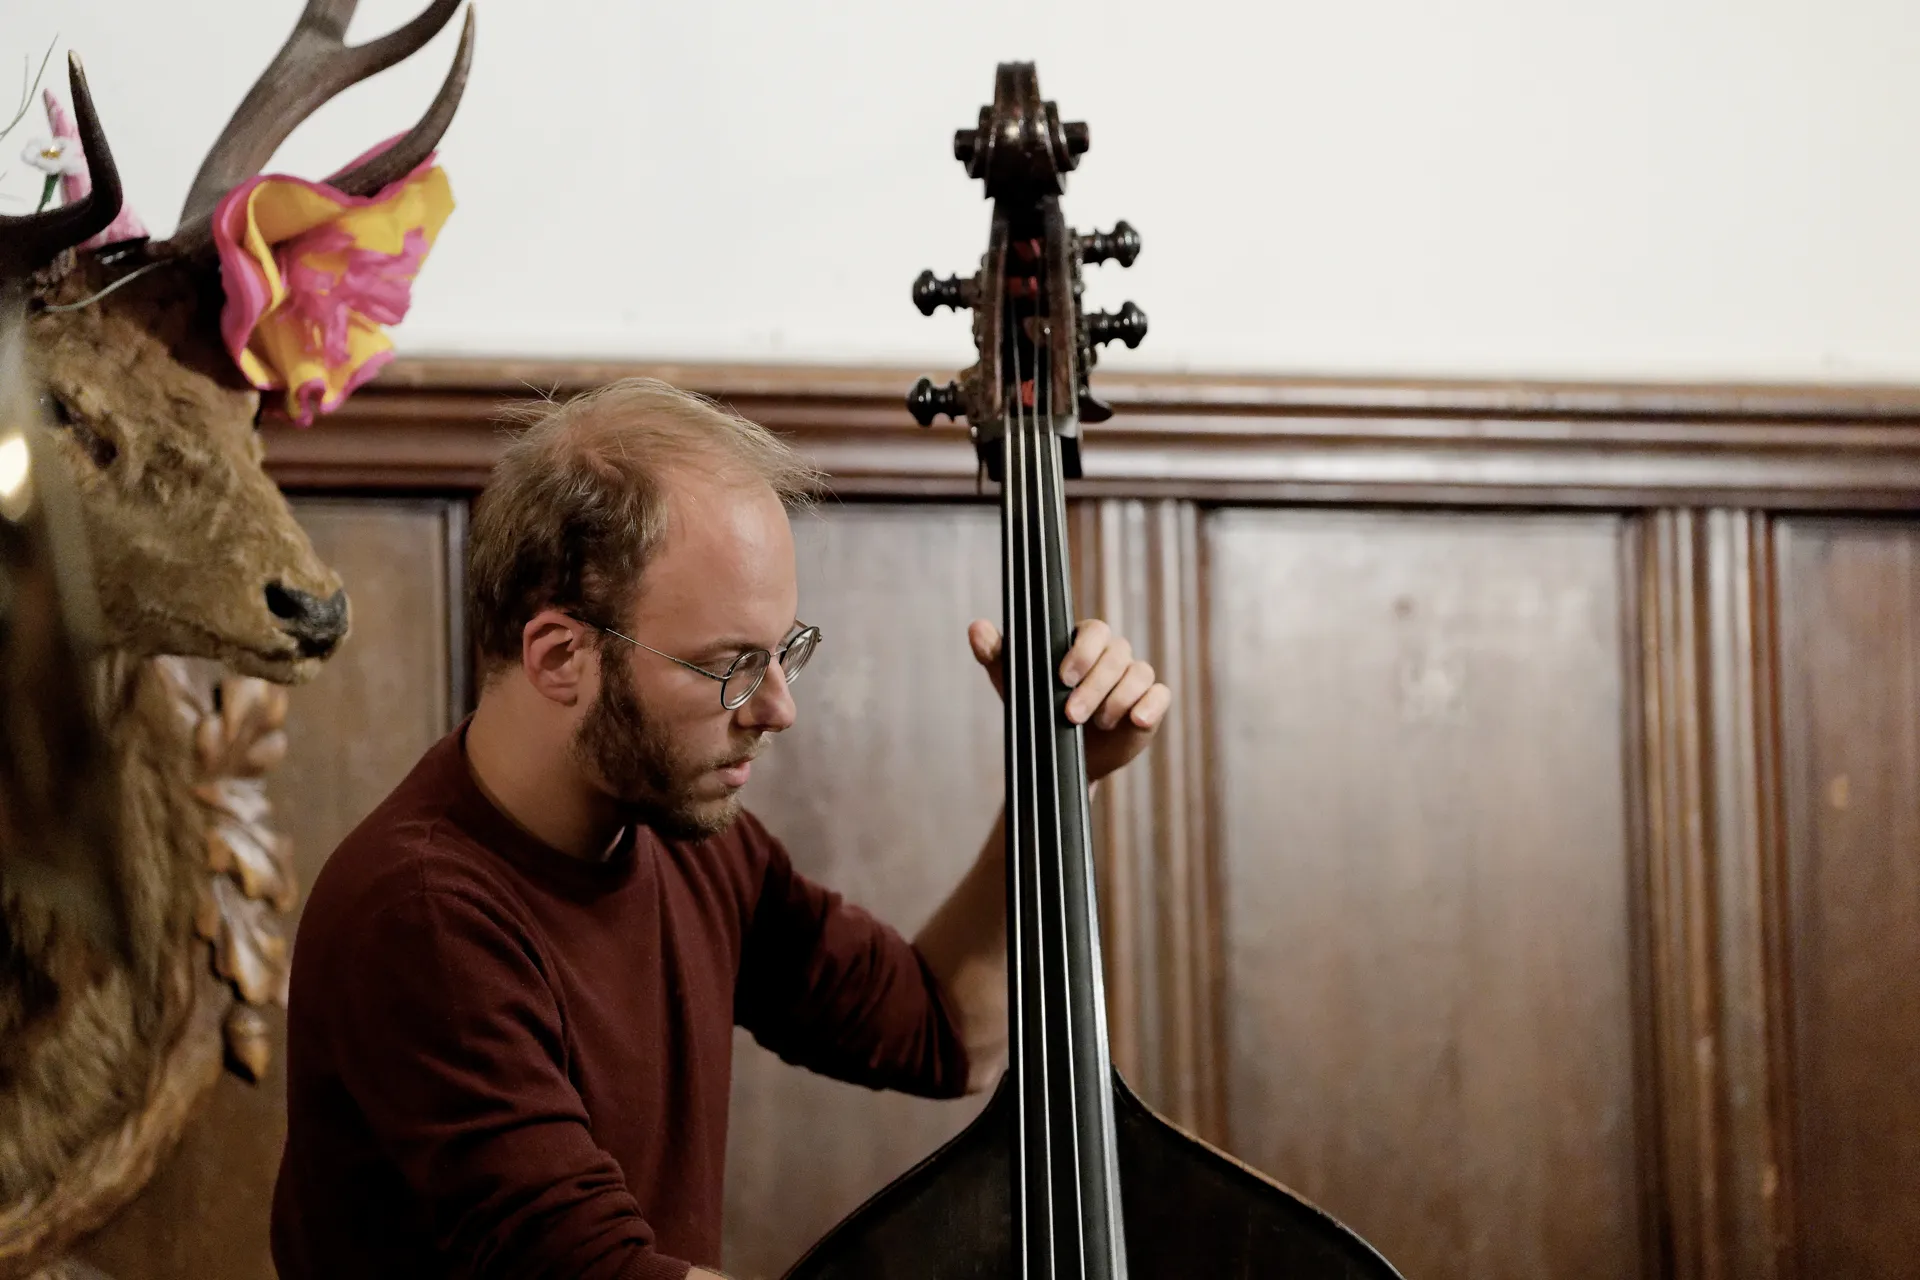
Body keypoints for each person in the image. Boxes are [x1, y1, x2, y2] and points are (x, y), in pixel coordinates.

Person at [269, 377, 1173, 1280]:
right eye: (732, 666)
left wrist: (1063, 774)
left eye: (785, 652)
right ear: (560, 656)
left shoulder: (680, 835)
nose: (778, 708)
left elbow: (946, 1031)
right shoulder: (423, 915)